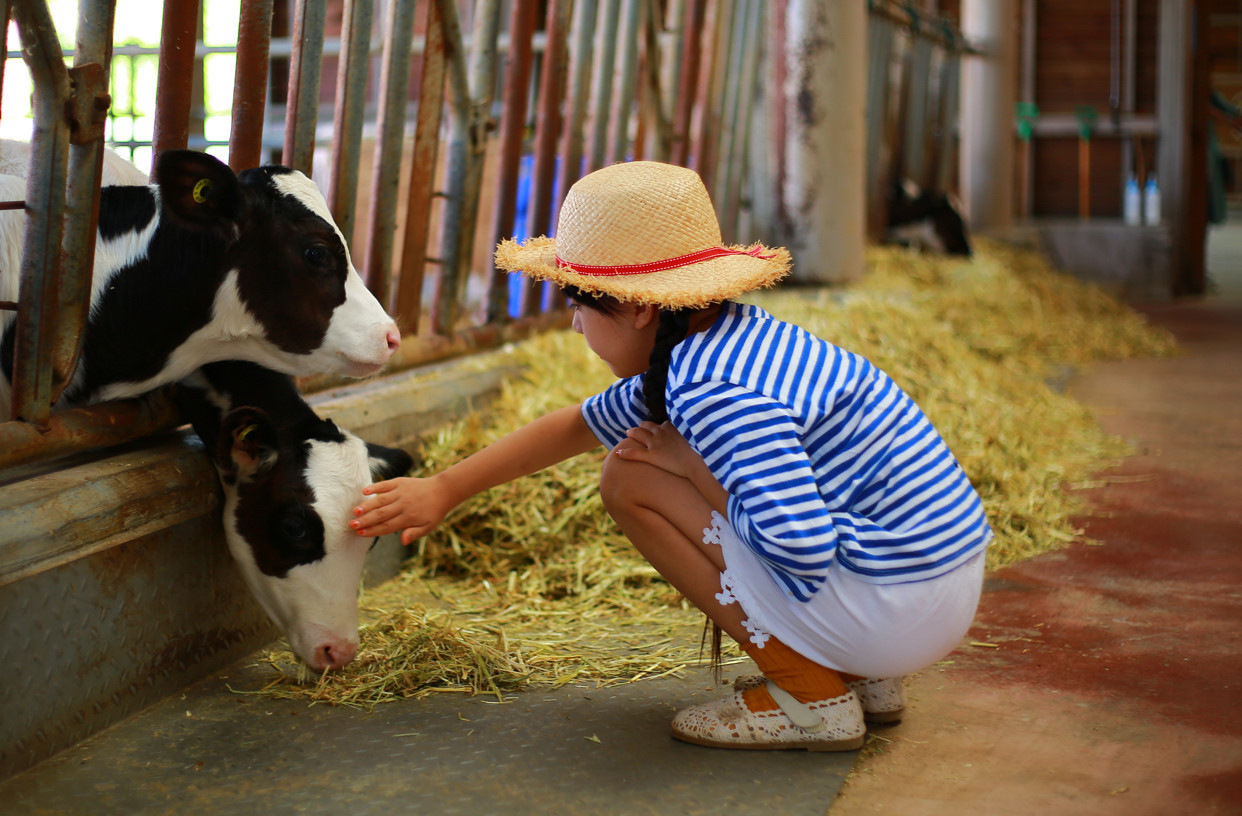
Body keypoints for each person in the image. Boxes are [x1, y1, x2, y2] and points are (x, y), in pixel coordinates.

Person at [350, 161, 992, 752]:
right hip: (930, 582)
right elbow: (577, 424)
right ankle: (861, 675)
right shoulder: (727, 339)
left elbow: (800, 546)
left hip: (899, 606)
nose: (574, 325)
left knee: (630, 478)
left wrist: (689, 466)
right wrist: (444, 489)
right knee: (640, 461)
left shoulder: (714, 391)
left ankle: (811, 697)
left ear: (635, 308)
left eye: (578, 303)